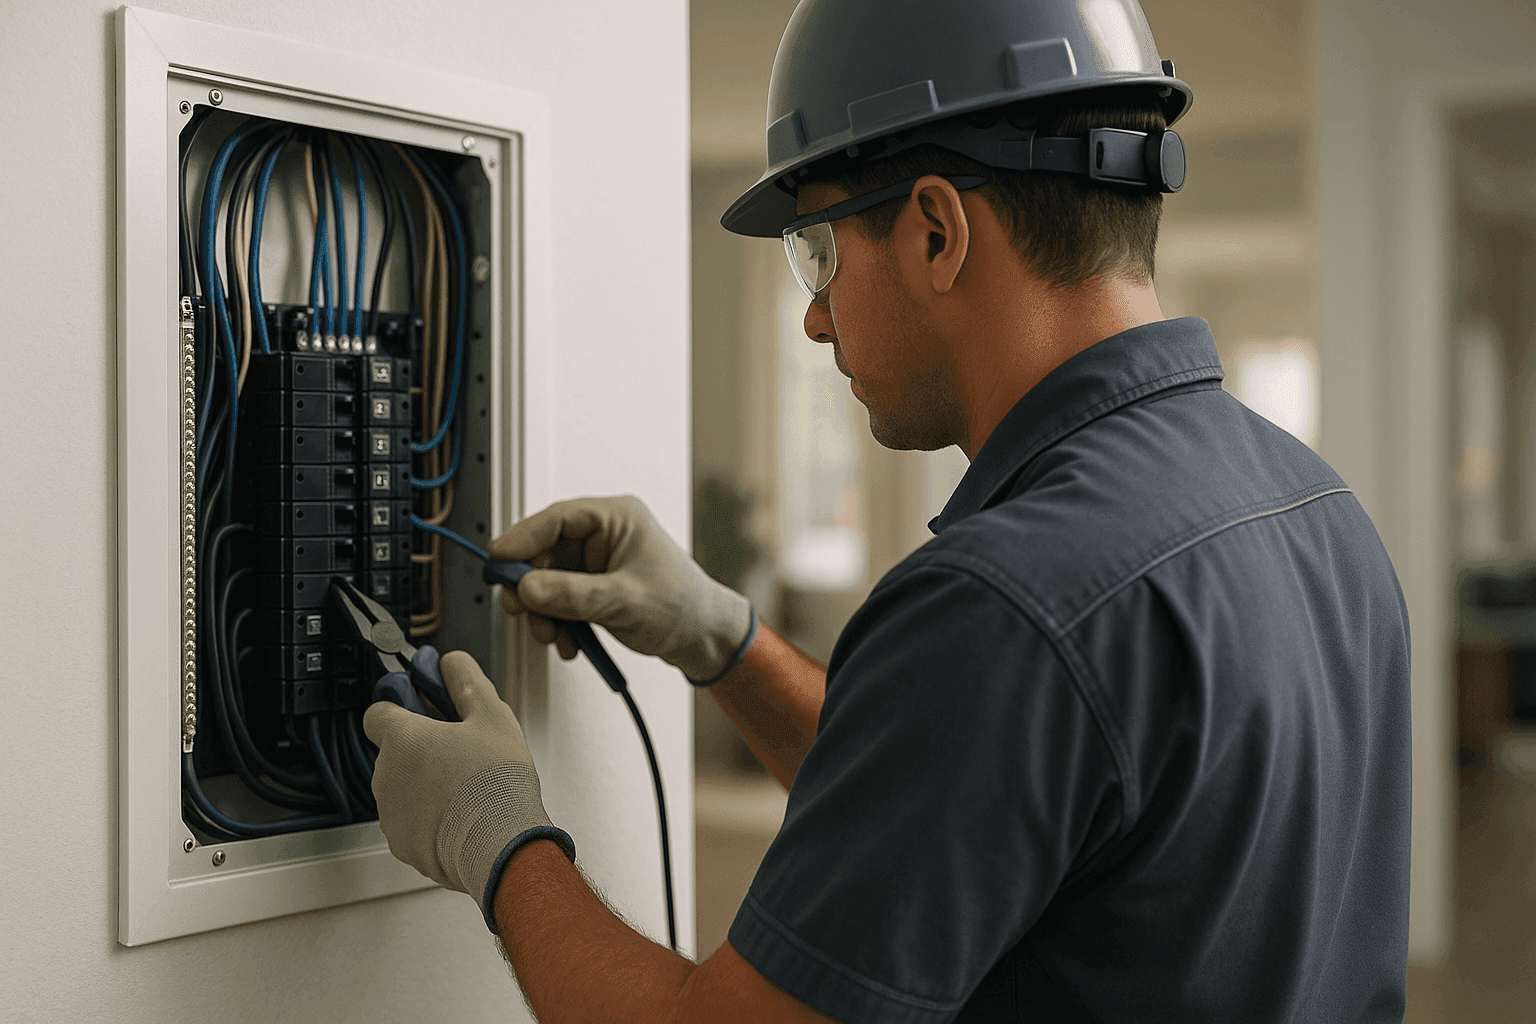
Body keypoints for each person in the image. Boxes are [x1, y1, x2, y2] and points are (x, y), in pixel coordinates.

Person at [363, 1, 1413, 1020]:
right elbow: (976, 802)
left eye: (817, 251)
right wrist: (719, 637)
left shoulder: (1010, 601)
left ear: (934, 230)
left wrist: (496, 837)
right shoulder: (1319, 512)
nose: (815, 317)